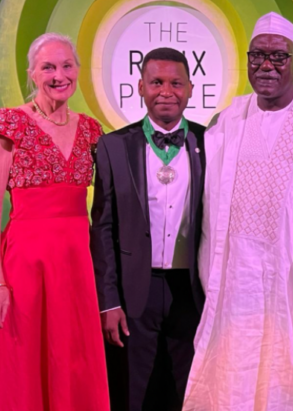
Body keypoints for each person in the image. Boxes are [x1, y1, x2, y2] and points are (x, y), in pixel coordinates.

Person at [183, 12, 293, 410]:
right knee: (233, 377)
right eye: (257, 56)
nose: (266, 65)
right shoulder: (226, 122)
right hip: (236, 282)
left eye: (279, 57)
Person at [0, 33, 109, 411]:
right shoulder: (10, 125)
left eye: (66, 66)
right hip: (25, 267)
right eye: (48, 67)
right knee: (17, 366)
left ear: (78, 70)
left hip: (76, 268)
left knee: (71, 361)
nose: (59, 75)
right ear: (32, 73)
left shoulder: (91, 130)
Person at [90, 48, 206, 411]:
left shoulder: (213, 142)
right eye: (156, 82)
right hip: (133, 290)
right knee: (132, 392)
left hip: (192, 290)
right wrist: (108, 301)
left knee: (188, 391)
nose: (166, 91)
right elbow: (103, 229)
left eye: (176, 83)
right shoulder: (112, 146)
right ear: (141, 87)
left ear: (190, 89)